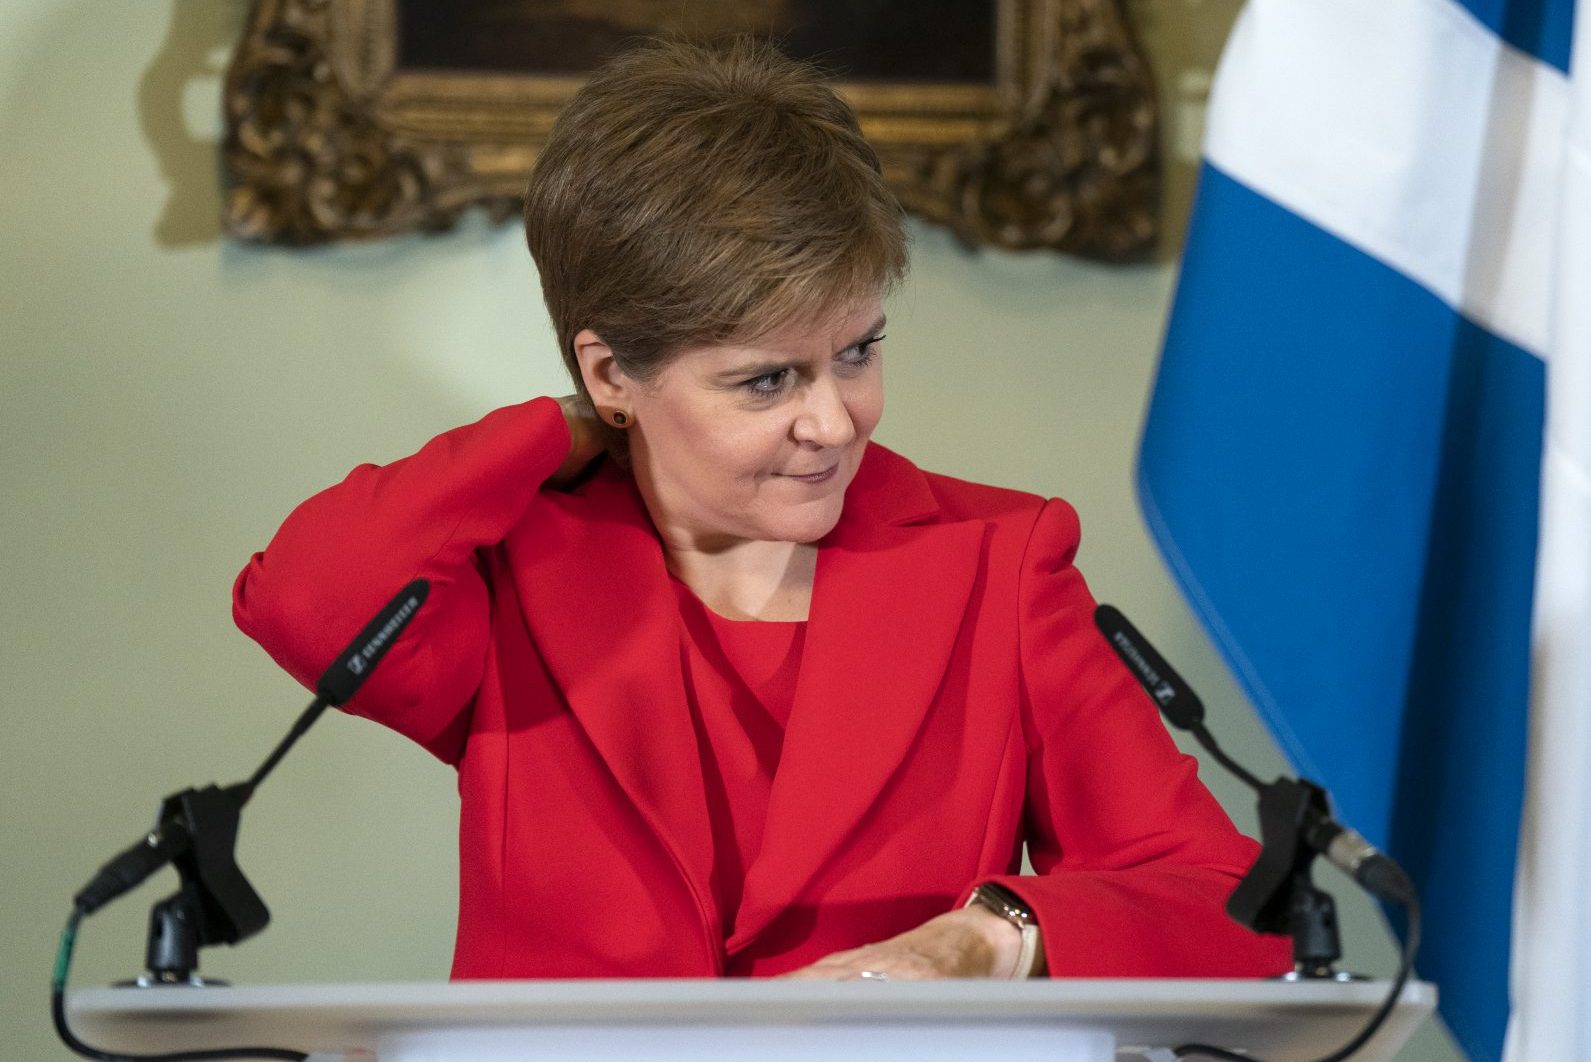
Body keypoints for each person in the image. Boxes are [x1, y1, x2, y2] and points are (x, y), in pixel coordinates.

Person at [234, 37, 1291, 981]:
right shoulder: (513, 567)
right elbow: (309, 599)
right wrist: (564, 430)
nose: (835, 422)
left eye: (859, 353)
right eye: (767, 381)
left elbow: (1224, 901)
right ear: (612, 372)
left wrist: (986, 938)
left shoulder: (999, 565)